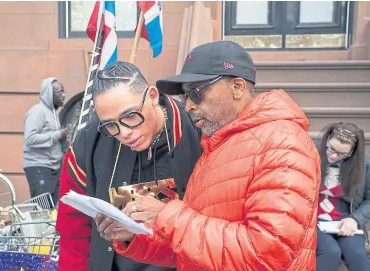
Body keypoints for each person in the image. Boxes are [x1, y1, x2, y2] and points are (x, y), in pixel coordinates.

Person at [96, 41, 322, 271]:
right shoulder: (217, 146)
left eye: (196, 93)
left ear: (237, 87)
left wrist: (167, 216)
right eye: (185, 97)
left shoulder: (282, 143)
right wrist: (133, 236)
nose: (189, 106)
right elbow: (196, 249)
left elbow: (267, 252)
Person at [56, 61, 202, 271]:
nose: (124, 133)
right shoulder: (89, 143)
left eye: (130, 116)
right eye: (110, 125)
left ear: (152, 96)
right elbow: (73, 233)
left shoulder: (196, 129)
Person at [315, 122, 370, 271]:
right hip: (313, 221)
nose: (333, 155)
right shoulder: (312, 154)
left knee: (357, 254)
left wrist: (355, 219)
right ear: (327, 140)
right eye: (331, 148)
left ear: (352, 153)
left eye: (341, 153)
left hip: (345, 221)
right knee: (331, 252)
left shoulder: (364, 166)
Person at [23, 77, 66, 205]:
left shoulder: (52, 113)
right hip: (39, 168)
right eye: (60, 92)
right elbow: (30, 139)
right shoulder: (37, 112)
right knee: (43, 208)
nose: (63, 95)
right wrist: (57, 134)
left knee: (53, 209)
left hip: (53, 167)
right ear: (49, 93)